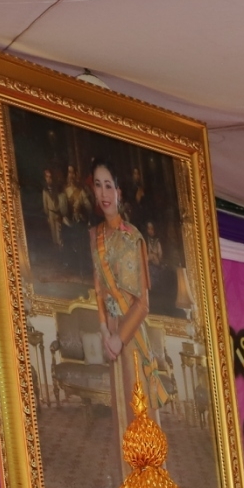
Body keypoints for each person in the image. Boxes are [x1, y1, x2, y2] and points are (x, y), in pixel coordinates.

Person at [88, 162, 172, 440]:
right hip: (110, 331)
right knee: (120, 415)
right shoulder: (95, 236)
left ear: (119, 192)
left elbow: (143, 304)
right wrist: (103, 329)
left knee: (139, 410)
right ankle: (125, 479)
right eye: (98, 185)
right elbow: (98, 289)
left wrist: (118, 339)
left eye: (108, 185)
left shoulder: (133, 238)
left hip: (130, 334)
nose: (104, 193)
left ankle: (147, 480)